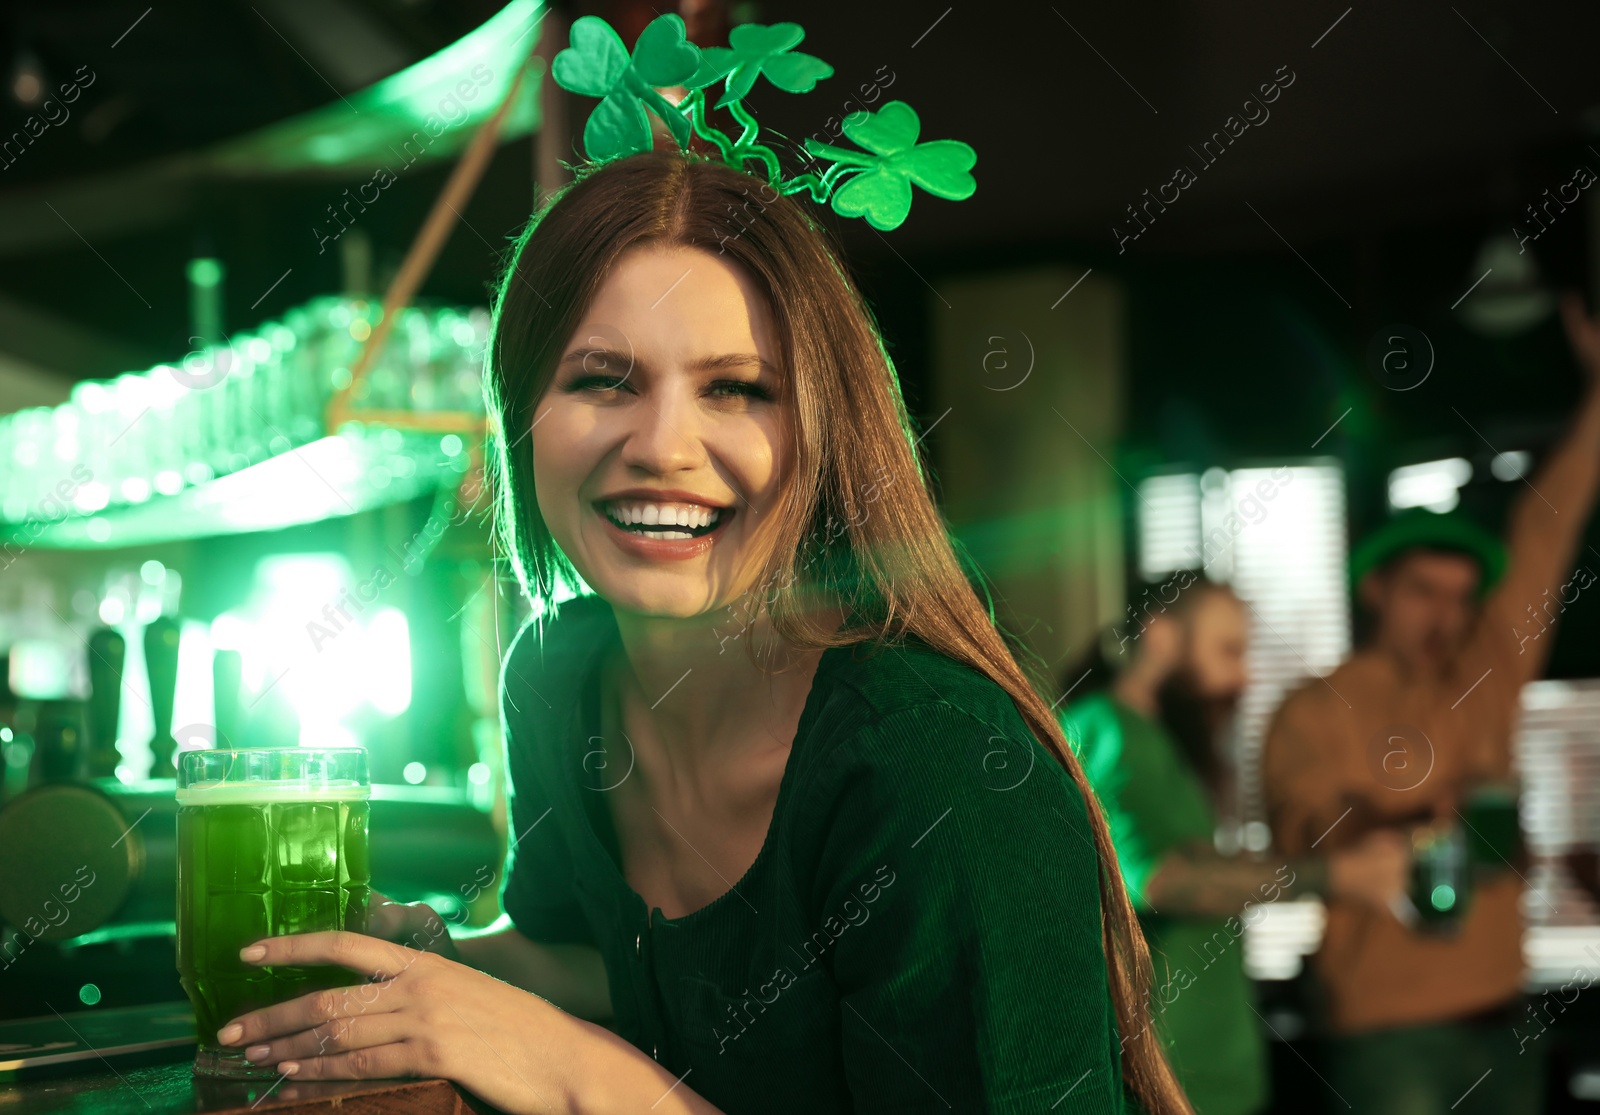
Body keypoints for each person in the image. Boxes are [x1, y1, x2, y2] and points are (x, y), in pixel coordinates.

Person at [204, 49, 1198, 1115]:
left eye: (735, 390)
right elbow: (623, 974)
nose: (663, 447)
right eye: (601, 379)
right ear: (519, 415)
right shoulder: (557, 671)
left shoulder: (931, 767)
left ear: (822, 431)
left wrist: (576, 1073)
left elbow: (595, 1049)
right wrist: (452, 961)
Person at [1262, 294, 1600, 1114]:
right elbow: (1305, 848)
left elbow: (1544, 533)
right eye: (1423, 591)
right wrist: (1417, 827)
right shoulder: (1313, 710)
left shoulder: (1487, 669)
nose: (1446, 615)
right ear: (1376, 587)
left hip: (1504, 1013)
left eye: (1460, 596)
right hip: (1387, 1030)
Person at [1061, 577, 1409, 1115]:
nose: (1244, 676)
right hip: (1162, 1089)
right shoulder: (1105, 729)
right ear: (1160, 637)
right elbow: (1164, 880)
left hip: (1217, 1080)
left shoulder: (1162, 742)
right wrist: (1333, 876)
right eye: (1229, 652)